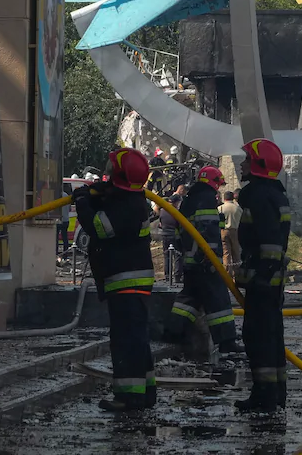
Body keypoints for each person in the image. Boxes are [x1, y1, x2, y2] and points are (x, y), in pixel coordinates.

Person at [73, 148, 157, 412]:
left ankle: (129, 398)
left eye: (110, 169)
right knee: (136, 340)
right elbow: (110, 204)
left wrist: (82, 203)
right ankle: (145, 393)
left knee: (126, 342)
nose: (106, 172)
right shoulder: (129, 197)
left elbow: (99, 226)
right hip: (130, 281)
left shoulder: (128, 205)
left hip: (126, 282)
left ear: (118, 175)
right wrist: (94, 194)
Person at [236, 138, 291, 413]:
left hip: (264, 280)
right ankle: (274, 393)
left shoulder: (259, 197)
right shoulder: (273, 194)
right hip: (269, 280)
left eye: (246, 159)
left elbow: (269, 243)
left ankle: (264, 397)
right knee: (271, 336)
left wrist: (261, 275)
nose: (241, 163)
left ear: (257, 165)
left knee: (258, 337)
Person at [166, 166, 240, 355]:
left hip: (192, 260)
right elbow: (208, 231)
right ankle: (226, 341)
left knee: (190, 297)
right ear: (213, 182)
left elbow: (180, 233)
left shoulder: (189, 200)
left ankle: (172, 331)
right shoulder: (207, 198)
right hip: (205, 261)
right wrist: (210, 260)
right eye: (218, 184)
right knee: (219, 299)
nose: (218, 189)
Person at [157, 186, 185, 283]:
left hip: (165, 236)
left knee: (167, 256)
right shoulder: (176, 212)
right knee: (178, 256)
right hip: (174, 236)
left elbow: (160, 223)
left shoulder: (162, 211)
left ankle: (167, 276)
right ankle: (177, 276)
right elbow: (180, 225)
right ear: (176, 202)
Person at [220, 191, 242, 273]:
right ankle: (237, 273)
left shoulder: (220, 208)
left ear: (224, 198)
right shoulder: (238, 208)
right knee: (236, 253)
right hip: (235, 231)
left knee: (226, 254)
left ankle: (227, 274)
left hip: (224, 231)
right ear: (232, 198)